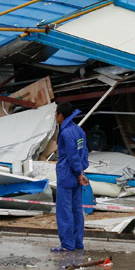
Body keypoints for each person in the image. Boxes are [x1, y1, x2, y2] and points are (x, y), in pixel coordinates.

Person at [52, 102, 89, 252]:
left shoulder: (66, 133)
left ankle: (67, 245)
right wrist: (82, 172)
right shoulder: (79, 130)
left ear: (60, 115)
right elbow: (84, 152)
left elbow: (72, 156)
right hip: (77, 176)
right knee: (76, 210)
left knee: (64, 211)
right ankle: (77, 243)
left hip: (67, 175)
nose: (55, 117)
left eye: (56, 114)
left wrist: (78, 172)